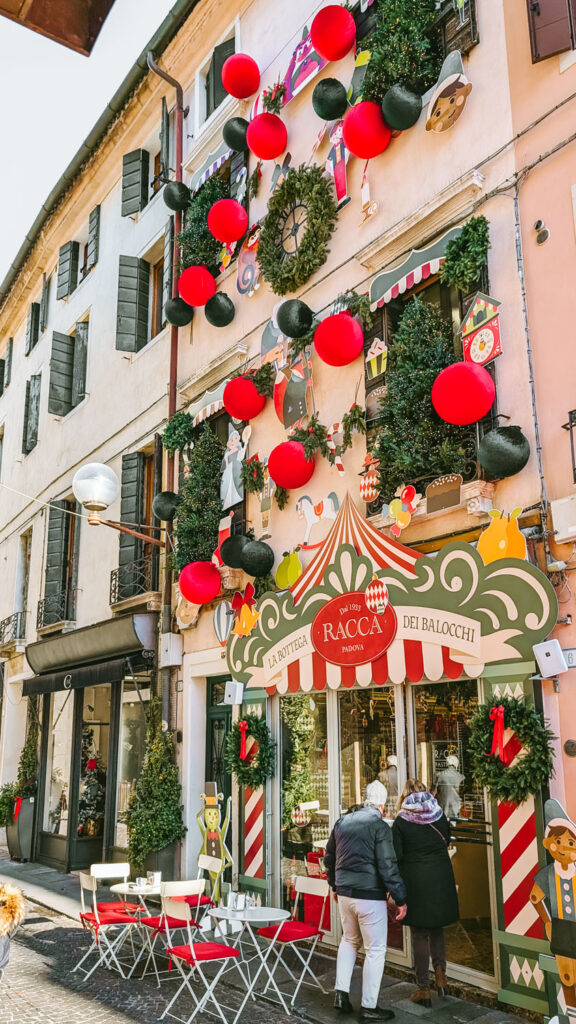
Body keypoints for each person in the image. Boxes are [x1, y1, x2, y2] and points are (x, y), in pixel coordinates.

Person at [324, 780, 407, 1021]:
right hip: (369, 896)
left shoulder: (342, 822)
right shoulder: (380, 827)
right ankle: (369, 1006)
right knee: (375, 950)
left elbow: (329, 858)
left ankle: (341, 995)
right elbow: (387, 866)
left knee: (349, 940)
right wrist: (400, 897)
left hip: (345, 893)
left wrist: (335, 885)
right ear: (382, 805)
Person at [392, 780, 459, 1007]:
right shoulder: (438, 815)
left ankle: (423, 988)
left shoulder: (401, 821)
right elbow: (446, 840)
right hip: (440, 876)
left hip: (416, 880)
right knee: (436, 927)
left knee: (420, 933)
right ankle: (441, 976)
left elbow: (397, 854)